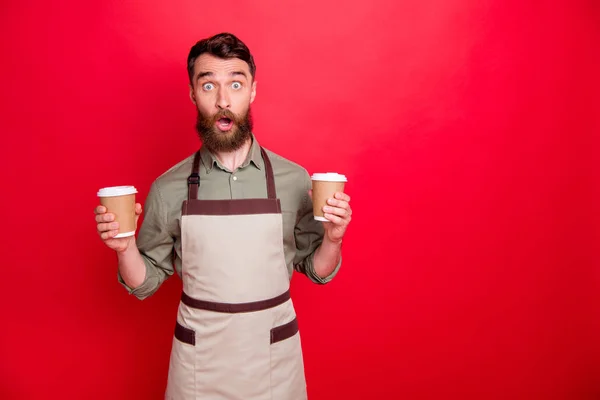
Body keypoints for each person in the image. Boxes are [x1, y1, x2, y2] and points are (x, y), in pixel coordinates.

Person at [94, 32, 352, 399]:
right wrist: (123, 248)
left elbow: (318, 269)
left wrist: (334, 239)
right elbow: (145, 282)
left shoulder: (294, 180)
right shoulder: (169, 187)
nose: (223, 100)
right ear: (193, 95)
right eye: (208, 85)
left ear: (252, 91)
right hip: (199, 364)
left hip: (273, 359)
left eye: (235, 83)